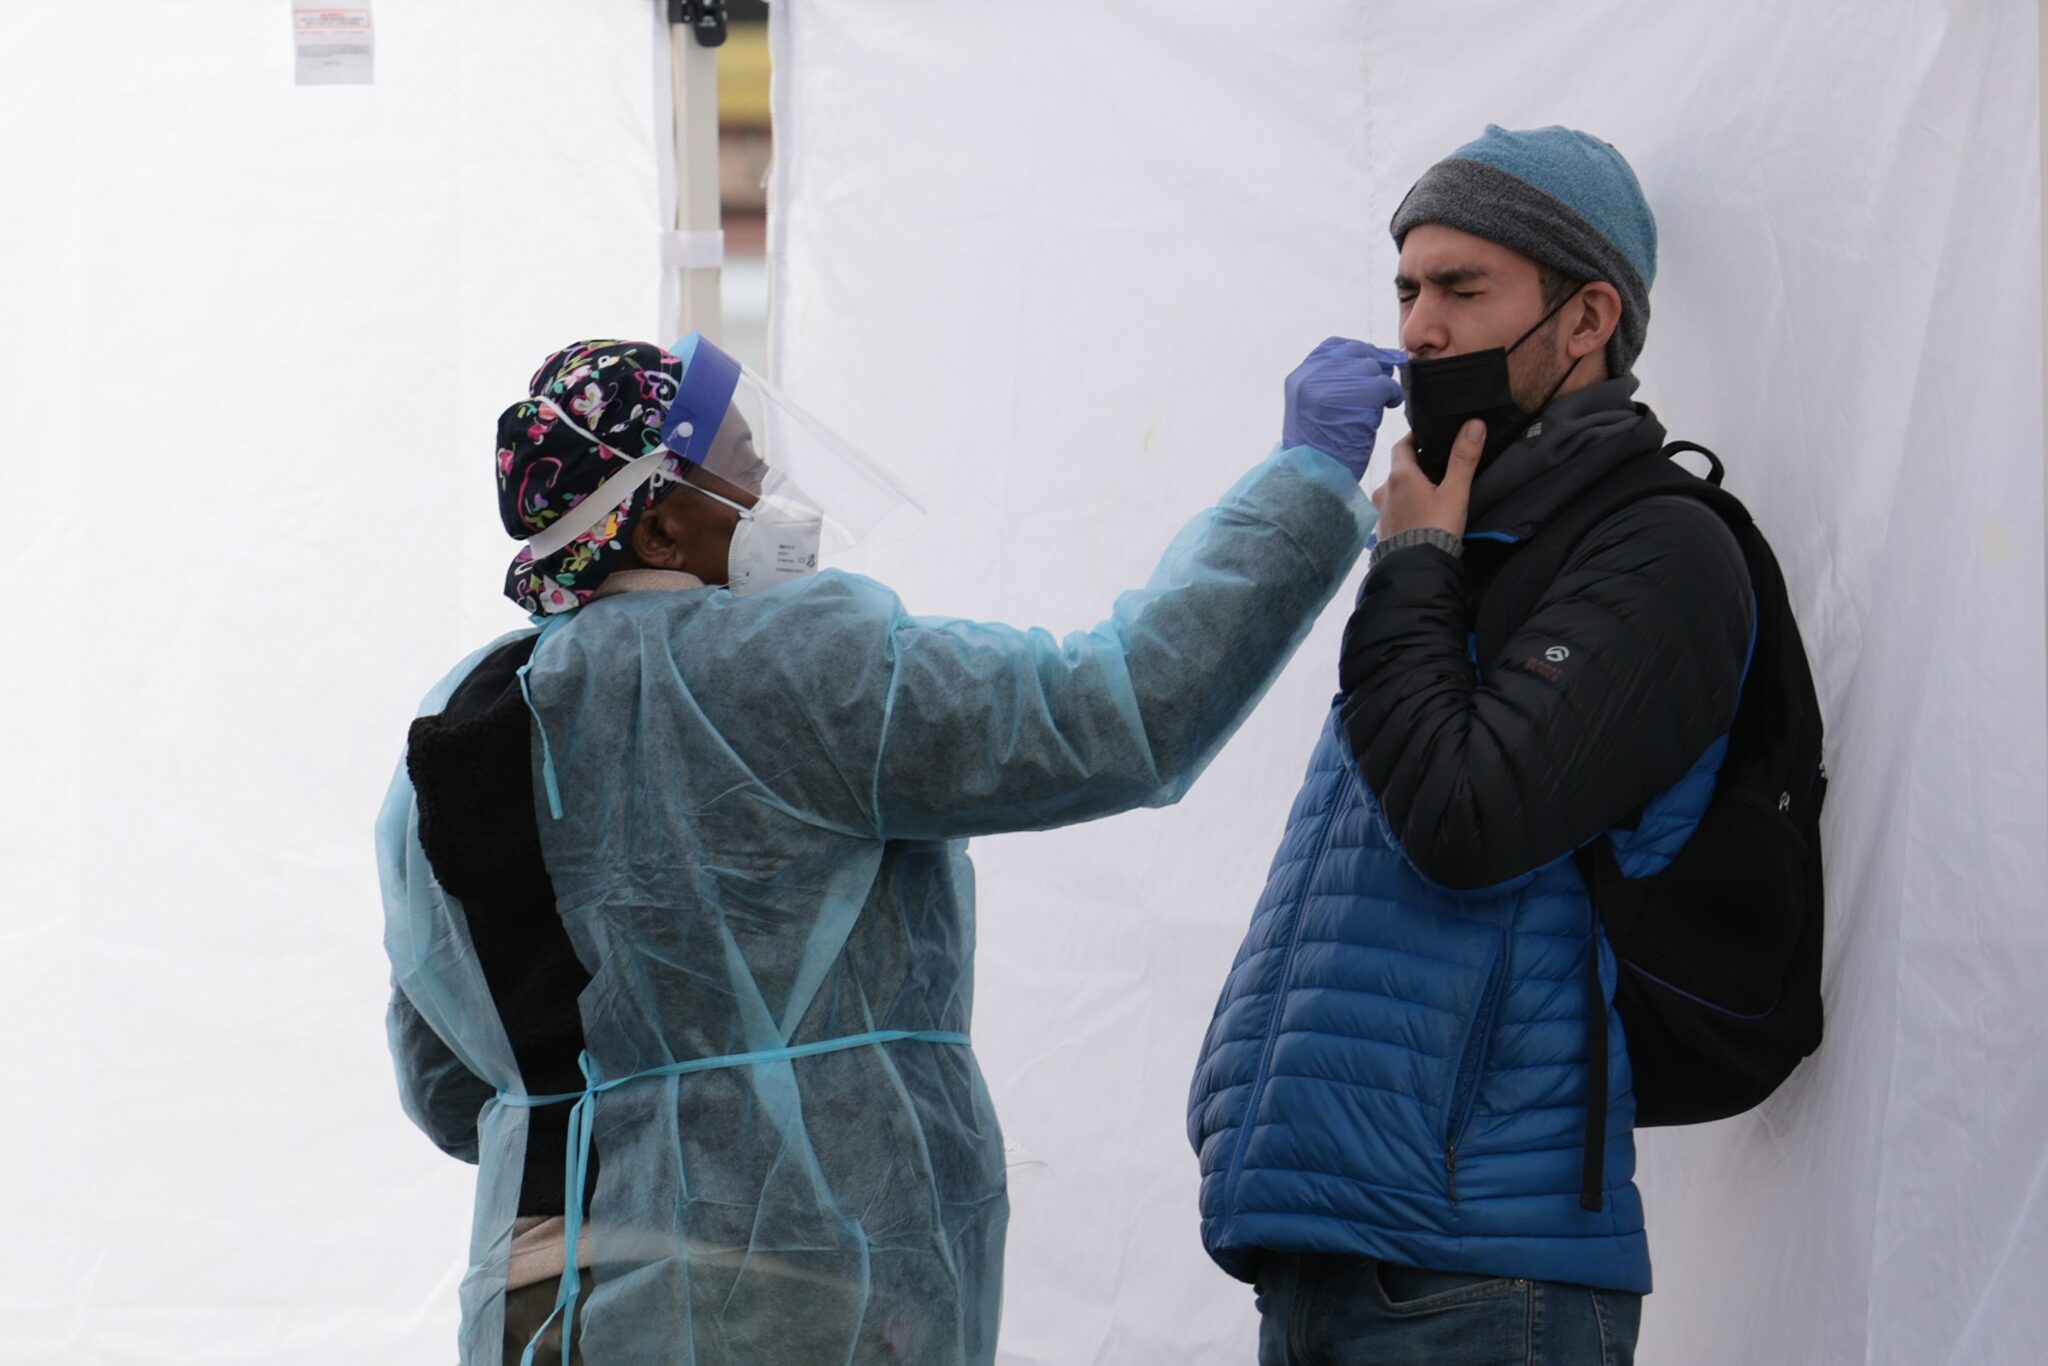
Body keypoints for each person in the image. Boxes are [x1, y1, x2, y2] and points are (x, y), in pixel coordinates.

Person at [380, 332, 1404, 1364]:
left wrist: (637, 1126)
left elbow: (444, 1083)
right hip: (785, 1288)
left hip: (533, 1296)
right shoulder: (781, 666)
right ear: (661, 519)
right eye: (741, 464)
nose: (768, 487)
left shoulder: (456, 727)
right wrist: (1303, 485)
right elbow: (1113, 712)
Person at [1188, 125, 1756, 1365]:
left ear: (1586, 314)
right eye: (1405, 287)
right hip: (1328, 1243)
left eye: (1461, 288)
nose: (1417, 331)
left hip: (1481, 1269)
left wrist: (1409, 565)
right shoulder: (1454, 537)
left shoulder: (1656, 548)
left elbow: (1463, 824)